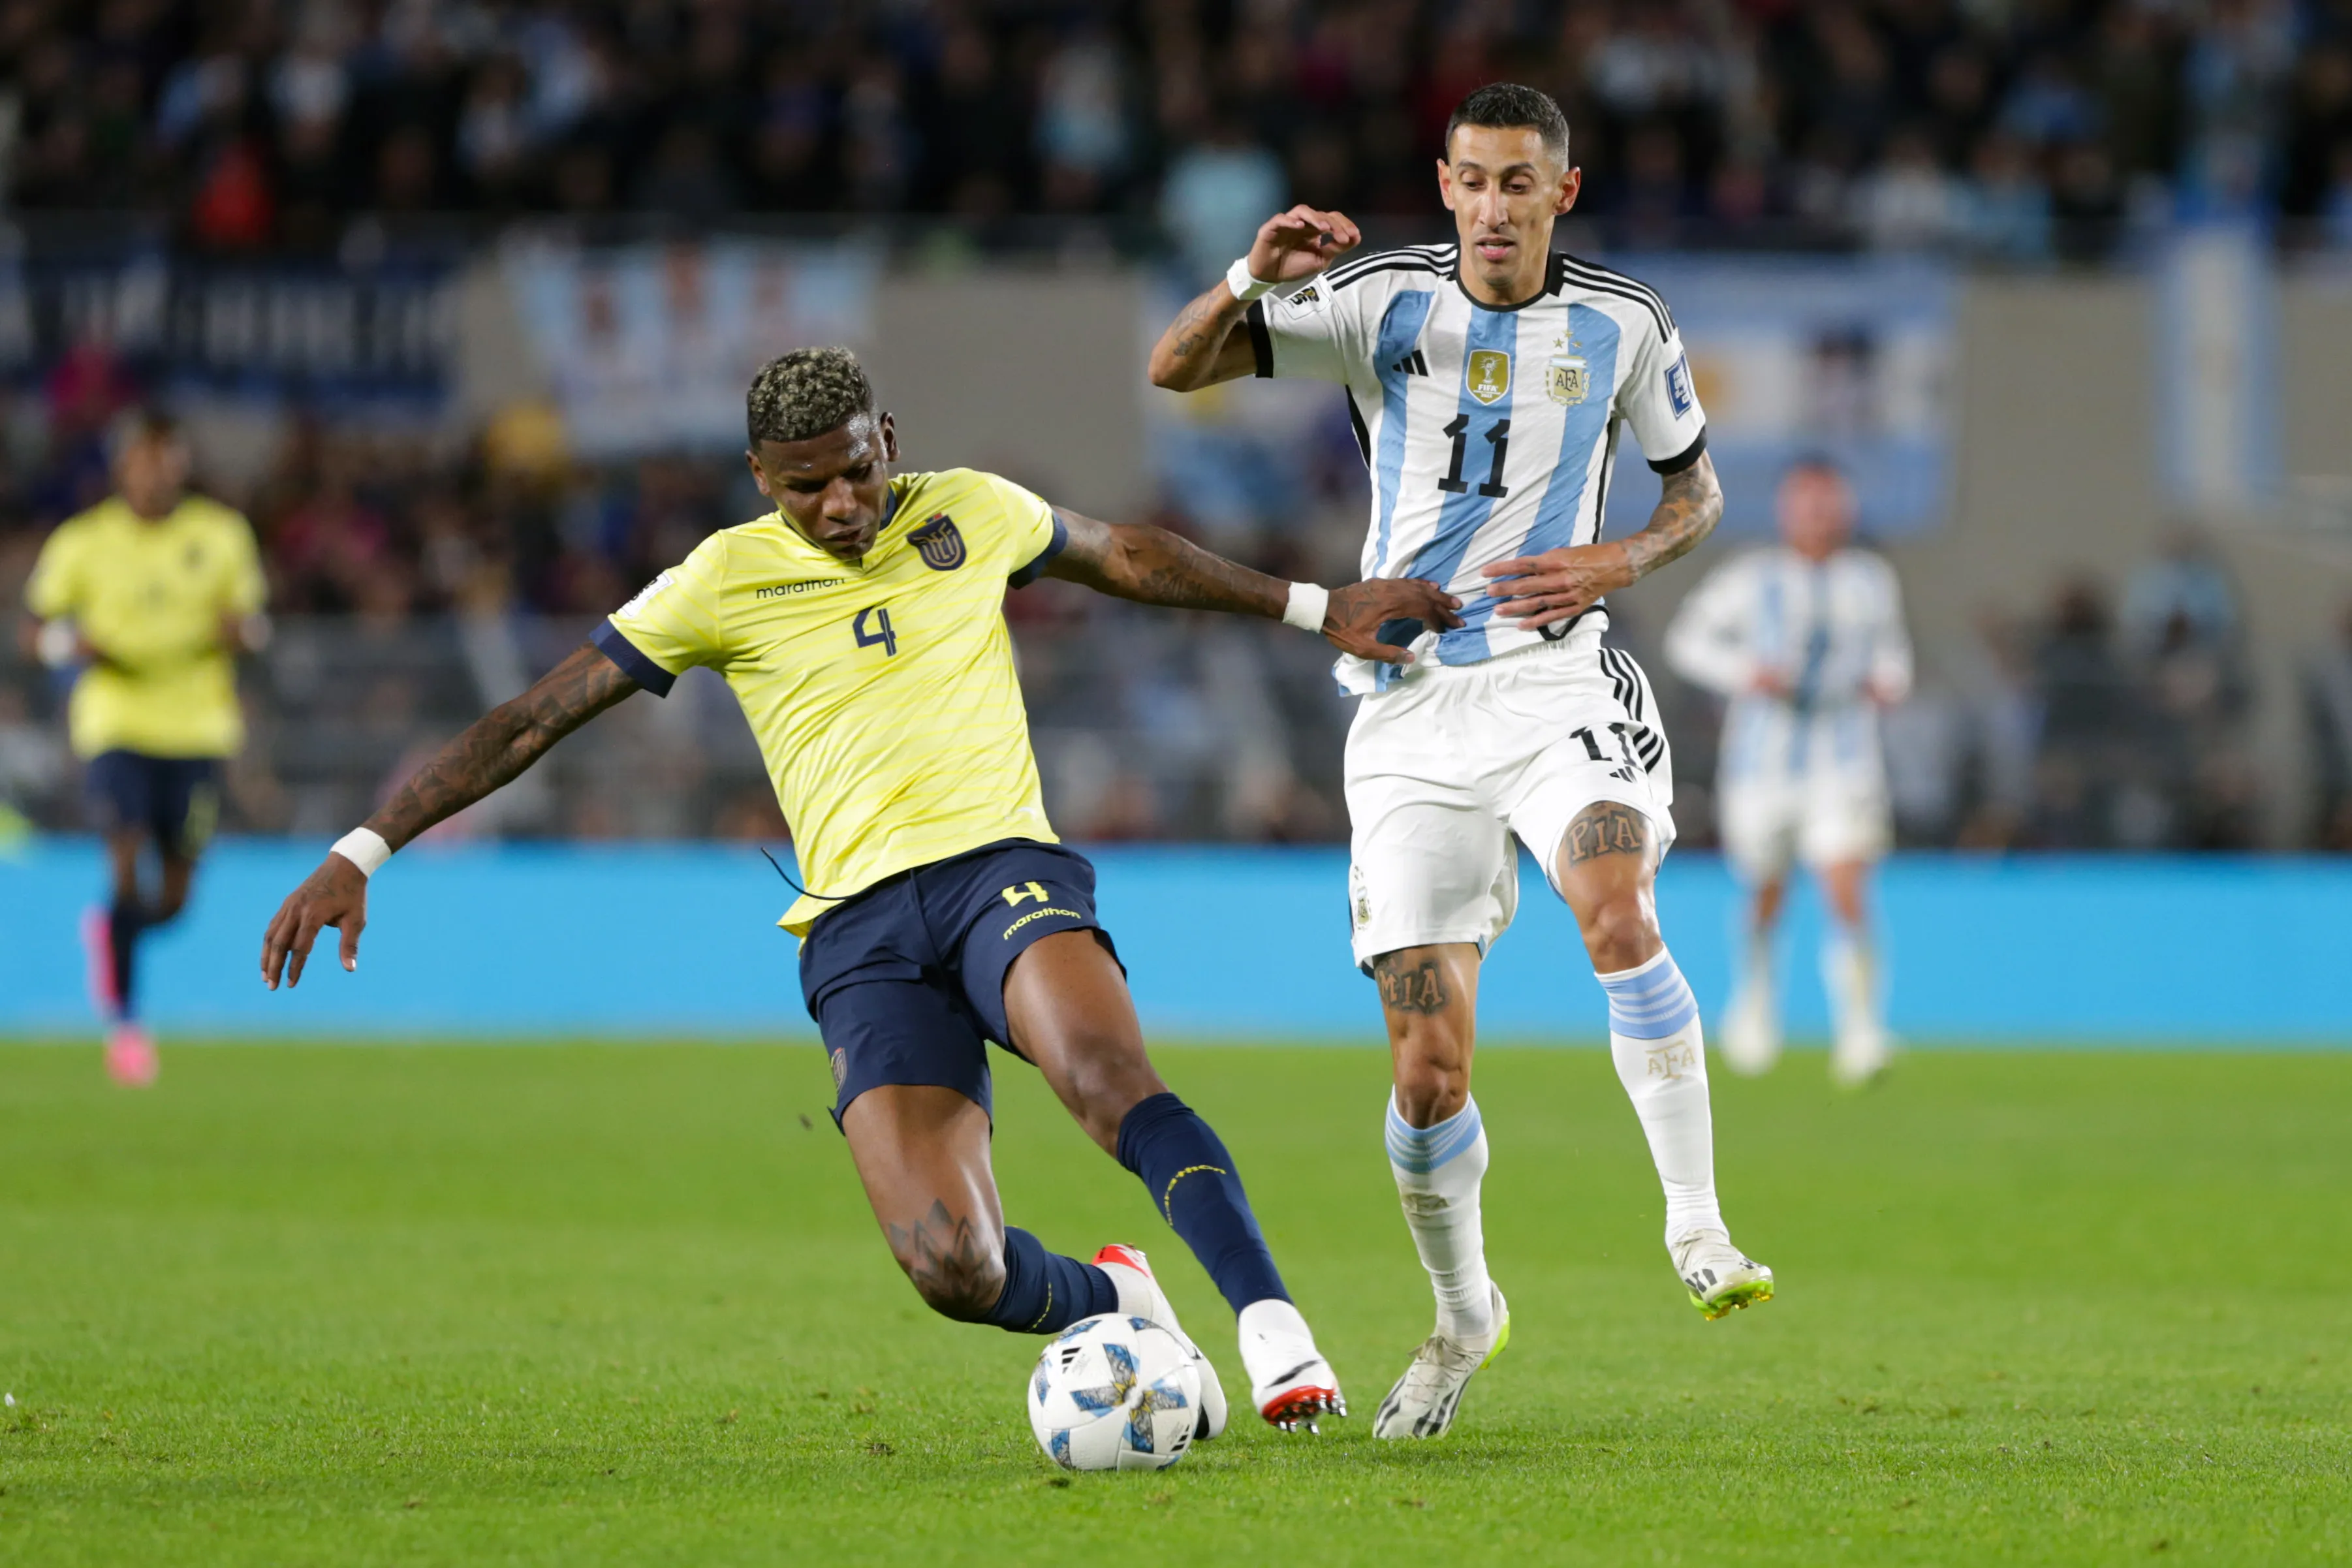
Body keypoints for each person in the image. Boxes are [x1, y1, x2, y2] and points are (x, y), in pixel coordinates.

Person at [259, 347, 1456, 1434]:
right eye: (800, 487)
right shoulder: (719, 579)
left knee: (1103, 1076)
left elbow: (1129, 557)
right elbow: (535, 716)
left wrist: (1310, 608)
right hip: (858, 930)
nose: (835, 505)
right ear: (759, 478)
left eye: (850, 473)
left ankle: (1269, 1331)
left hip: (999, 867)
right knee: (954, 1267)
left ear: (885, 436)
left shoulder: (969, 509)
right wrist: (364, 847)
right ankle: (1114, 1293)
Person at [1144, 82, 1774, 1443]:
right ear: (1444, 186)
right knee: (1427, 1070)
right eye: (1472, 182)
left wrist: (1617, 558)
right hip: (1409, 706)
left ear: (1564, 190)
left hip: (1557, 681)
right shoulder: (1378, 302)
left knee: (1616, 909)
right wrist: (1244, 277)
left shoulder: (1623, 325)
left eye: (1518, 183)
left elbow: (1697, 490)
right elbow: (1176, 369)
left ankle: (1696, 1224)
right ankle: (1462, 1312)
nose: (1493, 207)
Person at [21, 409, 268, 1086]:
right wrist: (72, 645)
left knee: (176, 898)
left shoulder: (220, 534)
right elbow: (34, 631)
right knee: (125, 861)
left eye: (167, 458)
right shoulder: (84, 541)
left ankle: (113, 932)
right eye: (143, 458)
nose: (156, 471)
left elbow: (254, 624)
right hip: (117, 722)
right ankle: (127, 1025)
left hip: (198, 728)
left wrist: (241, 632)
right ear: (123, 463)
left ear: (181, 463)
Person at [1663, 459, 1913, 1085]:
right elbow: (1687, 642)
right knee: (1766, 891)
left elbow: (1892, 654)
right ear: (1785, 510)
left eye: (1829, 503)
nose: (1819, 515)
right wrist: (1747, 672)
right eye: (1807, 503)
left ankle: (1860, 1033)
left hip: (1844, 759)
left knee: (1846, 887)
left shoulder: (1869, 580)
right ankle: (1754, 1002)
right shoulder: (1751, 578)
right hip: (1761, 766)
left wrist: (1889, 682)